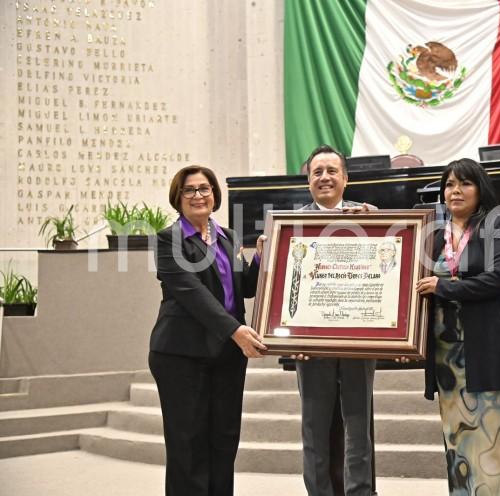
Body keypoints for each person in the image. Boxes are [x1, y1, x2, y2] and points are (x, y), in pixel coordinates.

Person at [415, 158, 500, 496]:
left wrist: (445, 288)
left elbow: (498, 279)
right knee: (457, 448)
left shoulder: (498, 225)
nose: (456, 190)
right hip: (446, 359)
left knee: (487, 448)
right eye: (449, 184)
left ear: (479, 188)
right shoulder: (435, 235)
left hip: (486, 351)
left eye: (464, 183)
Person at [149, 165, 267, 496]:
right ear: (178, 197)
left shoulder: (227, 237)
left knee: (224, 440)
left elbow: (242, 287)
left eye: (205, 188)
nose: (199, 195)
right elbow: (194, 296)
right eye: (190, 190)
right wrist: (238, 332)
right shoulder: (168, 240)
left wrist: (258, 259)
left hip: (227, 354)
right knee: (188, 446)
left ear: (215, 195)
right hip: (181, 356)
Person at [296, 144, 377, 496]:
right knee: (314, 426)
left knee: (359, 423)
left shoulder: (371, 216)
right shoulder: (290, 223)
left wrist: (374, 224)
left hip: (359, 336)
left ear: (345, 178)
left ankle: (360, 491)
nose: (324, 177)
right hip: (311, 340)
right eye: (317, 172)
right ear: (308, 180)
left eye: (332, 171)